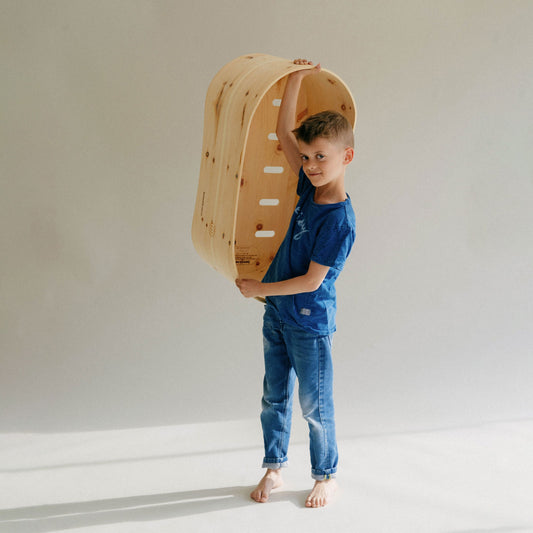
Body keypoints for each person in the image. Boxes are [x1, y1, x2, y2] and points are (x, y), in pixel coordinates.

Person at [235, 59, 356, 508]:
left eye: (320, 156)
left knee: (315, 407)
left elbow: (309, 281)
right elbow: (286, 136)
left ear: (346, 156)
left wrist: (259, 288)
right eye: (306, 158)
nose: (309, 165)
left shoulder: (339, 220)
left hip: (309, 322)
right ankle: (274, 467)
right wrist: (296, 81)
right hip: (278, 316)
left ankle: (326, 475)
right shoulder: (308, 189)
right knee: (273, 396)